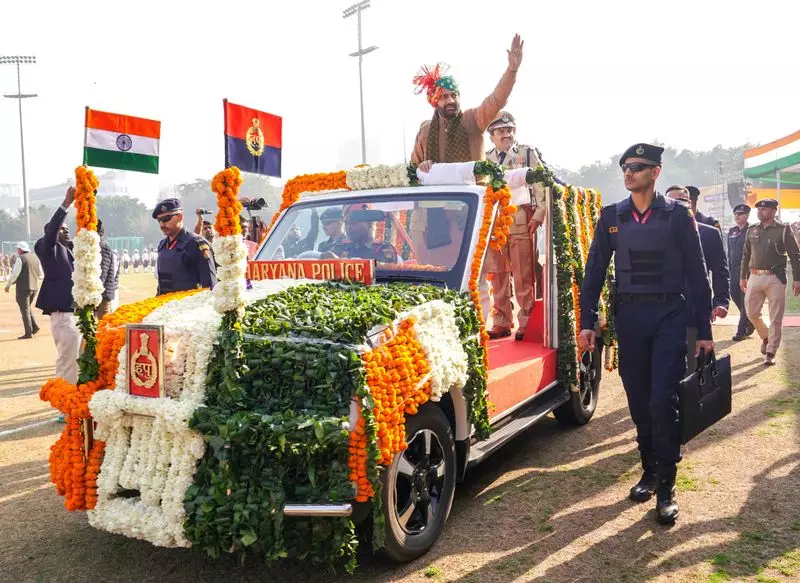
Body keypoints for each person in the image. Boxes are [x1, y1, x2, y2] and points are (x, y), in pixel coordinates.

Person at [579, 143, 714, 525]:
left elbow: (696, 273)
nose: (629, 172)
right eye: (625, 166)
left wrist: (704, 330)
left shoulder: (677, 216)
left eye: (637, 166)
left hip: (670, 315)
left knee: (662, 400)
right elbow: (593, 273)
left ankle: (667, 485)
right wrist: (587, 322)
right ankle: (649, 470)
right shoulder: (612, 217)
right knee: (639, 401)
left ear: (656, 172)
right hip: (631, 317)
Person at [411, 35, 523, 170]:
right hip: (436, 185)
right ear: (435, 101)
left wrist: (512, 70)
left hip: (472, 184)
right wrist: (421, 166)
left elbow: (497, 99)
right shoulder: (425, 131)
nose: (451, 100)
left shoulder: (473, 119)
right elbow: (412, 170)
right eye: (444, 97)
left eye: (454, 95)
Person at [484, 111, 546, 340]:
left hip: (521, 217)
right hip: (494, 221)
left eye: (509, 130)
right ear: (491, 136)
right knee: (498, 273)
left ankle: (526, 321)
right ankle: (501, 320)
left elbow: (541, 183)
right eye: (500, 131)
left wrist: (539, 213)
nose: (506, 135)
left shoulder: (526, 153)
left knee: (523, 273)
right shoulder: (485, 159)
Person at [665, 186, 730, 371]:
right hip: (662, 309)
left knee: (695, 365)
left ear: (691, 203)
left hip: (695, 307)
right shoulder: (656, 232)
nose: (675, 206)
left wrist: (721, 301)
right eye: (670, 202)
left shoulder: (709, 233)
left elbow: (720, 270)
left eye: (680, 201)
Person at [740, 198, 800, 365]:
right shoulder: (752, 229)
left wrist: (797, 279)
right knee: (751, 313)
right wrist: (742, 276)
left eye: (764, 209)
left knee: (776, 317)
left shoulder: (783, 230)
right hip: (754, 276)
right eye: (759, 209)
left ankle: (771, 351)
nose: (760, 212)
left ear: (774, 211)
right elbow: (746, 254)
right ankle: (766, 336)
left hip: (776, 278)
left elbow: (795, 256)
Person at [34, 186, 83, 385]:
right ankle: (65, 400)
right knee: (68, 363)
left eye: (66, 227)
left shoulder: (69, 250)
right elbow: (52, 230)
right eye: (62, 228)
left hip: (76, 314)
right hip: (64, 316)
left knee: (77, 361)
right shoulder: (47, 248)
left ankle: (73, 397)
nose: (66, 229)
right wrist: (66, 204)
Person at [153, 198, 217, 295]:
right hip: (165, 302)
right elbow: (163, 285)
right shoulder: (162, 245)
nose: (162, 225)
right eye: (159, 220)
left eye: (166, 219)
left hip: (189, 302)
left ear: (180, 217)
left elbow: (209, 285)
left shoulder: (196, 244)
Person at [727, 204, 755, 341]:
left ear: (747, 215)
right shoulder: (732, 231)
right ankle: (750, 321)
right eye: (735, 214)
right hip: (733, 269)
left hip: (747, 270)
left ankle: (741, 330)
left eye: (740, 214)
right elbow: (729, 252)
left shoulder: (752, 231)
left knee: (745, 300)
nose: (737, 216)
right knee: (733, 295)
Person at [4, 241, 42, 339]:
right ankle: (34, 327)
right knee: (27, 308)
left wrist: (8, 285)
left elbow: (15, 274)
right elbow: (40, 274)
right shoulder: (35, 258)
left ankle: (28, 332)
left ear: (20, 250)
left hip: (23, 289)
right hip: (34, 288)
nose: (17, 250)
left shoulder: (20, 258)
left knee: (24, 310)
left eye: (18, 249)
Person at [96, 220, 119, 321]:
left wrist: (93, 291)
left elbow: (103, 271)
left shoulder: (102, 245)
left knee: (103, 323)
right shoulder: (97, 244)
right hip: (98, 293)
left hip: (102, 294)